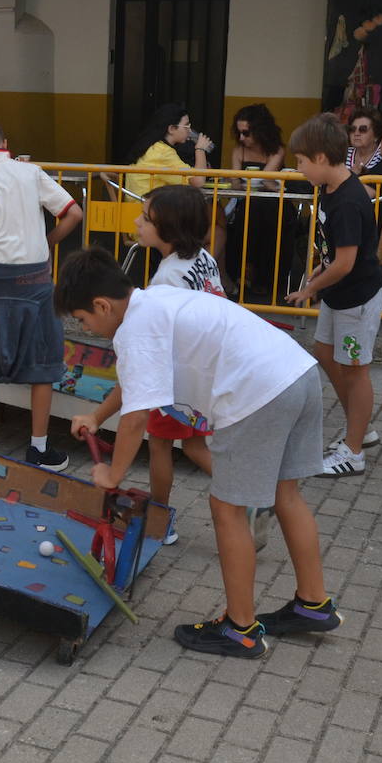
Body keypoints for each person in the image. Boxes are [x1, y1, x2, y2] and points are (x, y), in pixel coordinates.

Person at [57, 247, 341, 658]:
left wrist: (113, 476)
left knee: (227, 509)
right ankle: (313, 604)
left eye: (84, 320)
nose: (86, 328)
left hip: (255, 395)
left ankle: (240, 630)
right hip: (297, 374)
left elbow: (137, 418)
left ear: (102, 305)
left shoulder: (136, 329)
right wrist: (98, 415)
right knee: (286, 495)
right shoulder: (155, 301)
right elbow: (138, 381)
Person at [0, 119, 83, 472]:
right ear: (5, 143)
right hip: (36, 279)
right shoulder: (31, 172)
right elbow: (73, 213)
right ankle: (38, 448)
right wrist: (48, 243)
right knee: (42, 363)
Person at [285, 114, 382, 477]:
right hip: (339, 294)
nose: (298, 169)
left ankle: (354, 450)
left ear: (322, 159)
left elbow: (345, 263)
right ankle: (359, 427)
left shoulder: (346, 200)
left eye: (300, 161)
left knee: (355, 370)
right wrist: (319, 271)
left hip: (356, 297)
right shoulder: (330, 189)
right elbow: (335, 254)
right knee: (325, 352)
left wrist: (311, 288)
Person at [131, 184, 218, 536]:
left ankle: (159, 520)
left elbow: (156, 338)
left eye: (146, 218)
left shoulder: (167, 278)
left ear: (168, 228)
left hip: (175, 378)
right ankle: (254, 497)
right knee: (196, 445)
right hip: (206, 370)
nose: (138, 222)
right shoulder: (203, 258)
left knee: (160, 444)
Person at [223, 104, 287, 297]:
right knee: (249, 212)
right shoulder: (238, 150)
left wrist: (244, 180)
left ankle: (257, 273)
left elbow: (267, 179)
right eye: (239, 133)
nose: (242, 138)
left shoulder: (277, 150)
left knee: (260, 211)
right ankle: (246, 270)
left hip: (272, 205)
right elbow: (236, 183)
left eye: (246, 133)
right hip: (248, 203)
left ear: (260, 131)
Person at [120, 102, 212, 199]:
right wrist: (200, 149)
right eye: (186, 126)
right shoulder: (162, 152)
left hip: (137, 205)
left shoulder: (152, 145)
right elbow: (198, 181)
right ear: (171, 129)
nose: (189, 131)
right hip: (148, 209)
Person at [346, 106, 382, 175]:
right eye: (352, 129)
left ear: (376, 135)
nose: (356, 133)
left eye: (363, 129)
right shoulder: (342, 155)